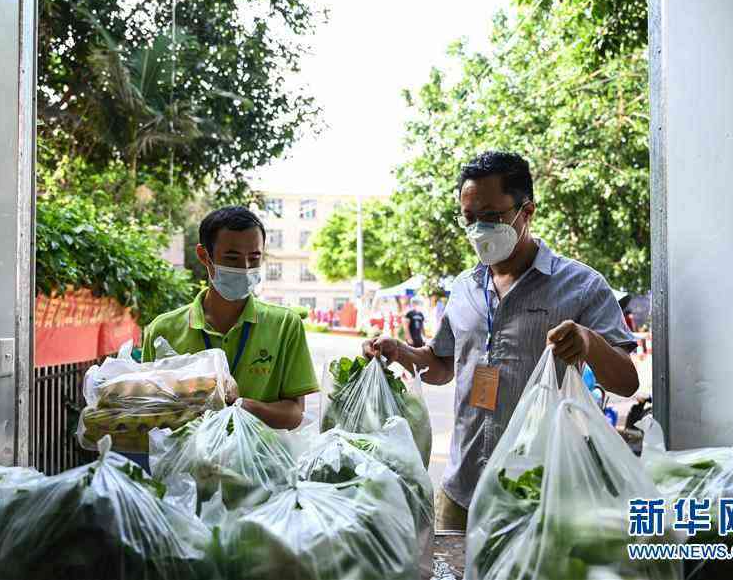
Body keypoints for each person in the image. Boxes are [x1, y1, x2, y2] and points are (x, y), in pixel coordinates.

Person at [362, 151, 638, 531]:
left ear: (527, 212)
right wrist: (402, 352)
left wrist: (589, 342)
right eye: (470, 219)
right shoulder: (464, 288)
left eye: (491, 217)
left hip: (540, 496)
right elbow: (442, 366)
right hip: (463, 492)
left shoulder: (582, 286)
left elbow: (626, 382)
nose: (479, 230)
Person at [142, 206, 319, 430]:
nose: (245, 269)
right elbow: (147, 409)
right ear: (204, 256)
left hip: (260, 462)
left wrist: (243, 407)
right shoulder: (163, 329)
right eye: (232, 258)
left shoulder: (285, 324)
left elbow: (294, 414)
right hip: (184, 462)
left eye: (254, 258)